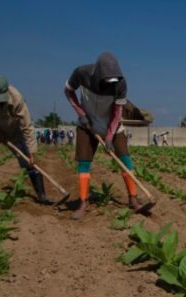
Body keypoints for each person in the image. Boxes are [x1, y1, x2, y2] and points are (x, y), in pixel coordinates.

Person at [64, 51, 144, 219]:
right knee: (84, 164)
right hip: (87, 126)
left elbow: (117, 113)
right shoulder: (81, 73)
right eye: (108, 80)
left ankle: (133, 198)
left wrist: (109, 136)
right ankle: (83, 202)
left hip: (113, 127)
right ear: (99, 73)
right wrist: (80, 113)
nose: (111, 83)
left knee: (125, 161)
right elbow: (68, 91)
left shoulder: (120, 85)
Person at [0, 74, 50, 211]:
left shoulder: (17, 98)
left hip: (13, 131)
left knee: (28, 161)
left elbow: (27, 126)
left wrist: (32, 152)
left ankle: (41, 195)